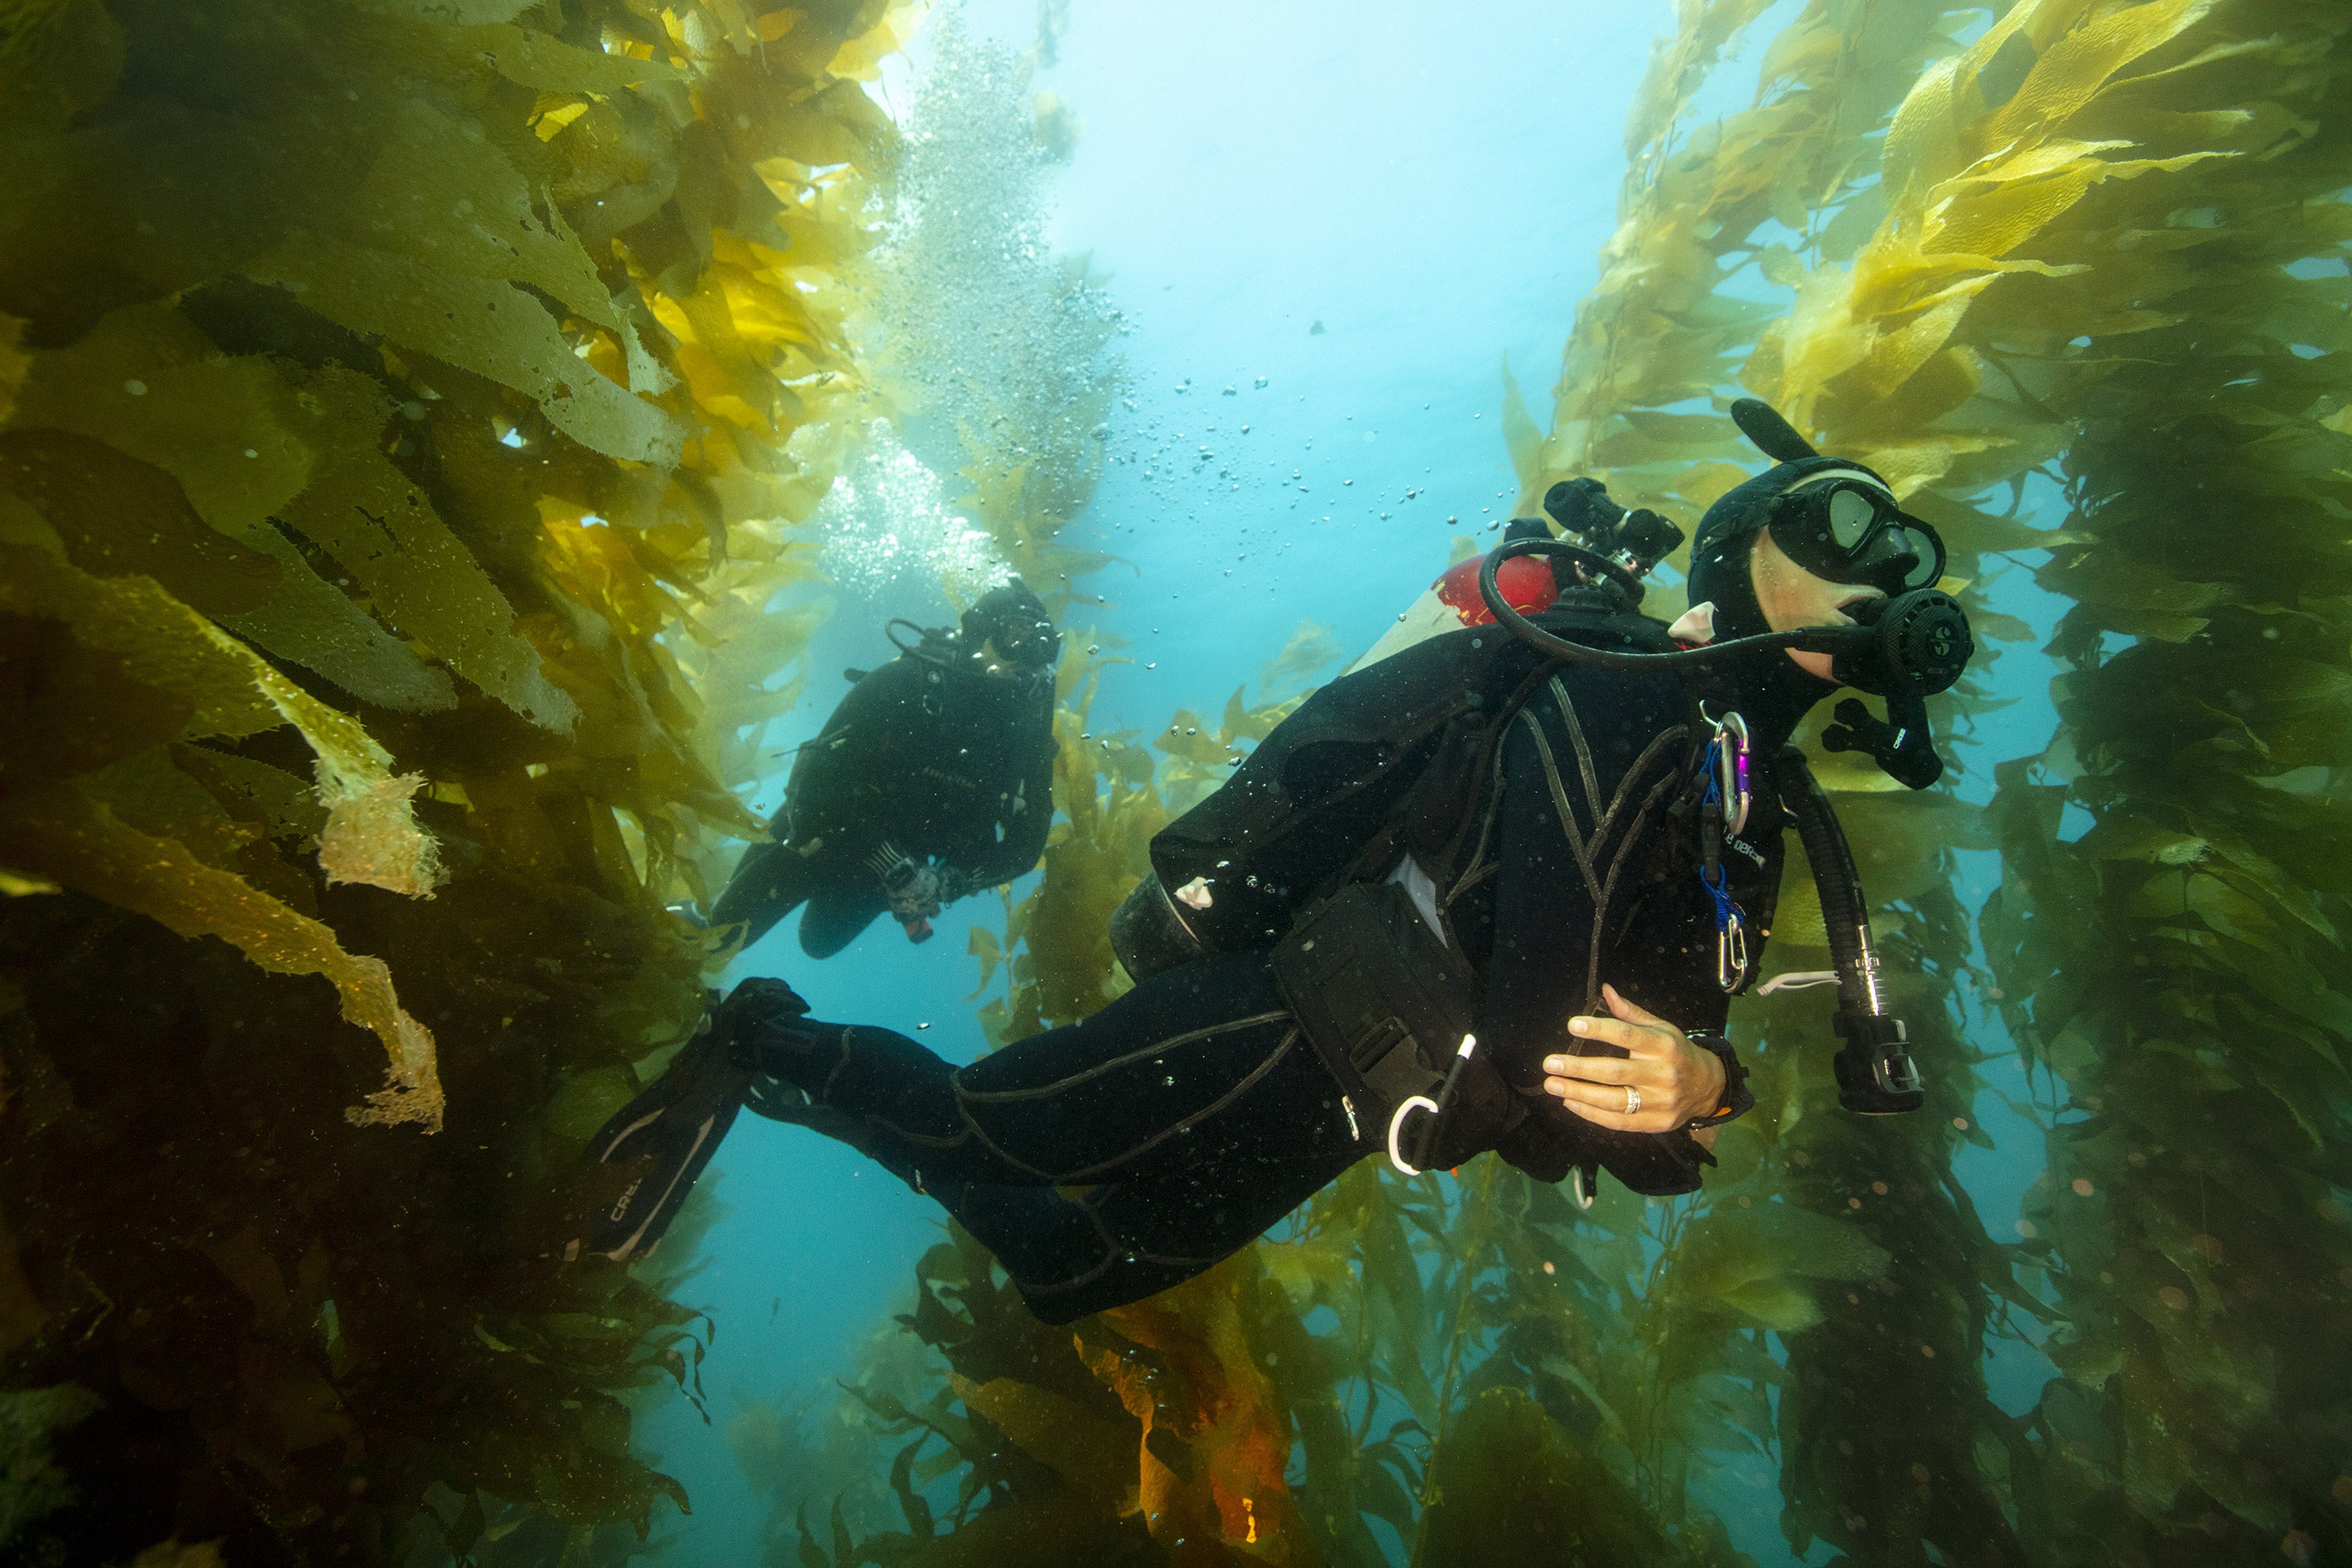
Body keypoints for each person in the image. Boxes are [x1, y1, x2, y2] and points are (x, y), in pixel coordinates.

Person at [577, 402, 1973, 1320]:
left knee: (1080, 1271)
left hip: (1364, 1106)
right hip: (1295, 1014)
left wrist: (1706, 1082)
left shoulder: (1751, 795)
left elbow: (1664, 1059)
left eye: (1908, 555)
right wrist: (1666, 1104)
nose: (1886, 570)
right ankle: (760, 1041)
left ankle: (811, 1090)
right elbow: (1550, 1051)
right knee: (991, 1133)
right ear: (1735, 552)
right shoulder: (1626, 698)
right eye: (1838, 523)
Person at [710, 580, 1061, 956]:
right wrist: (893, 867)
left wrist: (951, 881)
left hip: (895, 872)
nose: (1027, 658)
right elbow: (812, 778)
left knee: (819, 942)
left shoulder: (1027, 734)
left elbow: (1028, 843)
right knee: (721, 934)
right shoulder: (912, 681)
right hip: (821, 833)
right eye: (1016, 636)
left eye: (1043, 645)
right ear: (980, 633)